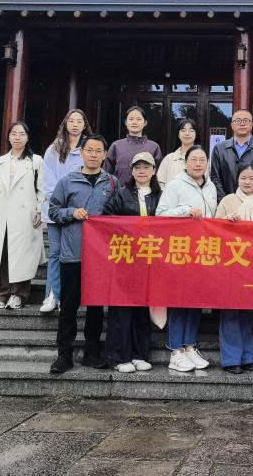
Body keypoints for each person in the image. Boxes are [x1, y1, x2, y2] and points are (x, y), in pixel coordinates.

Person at [47, 133, 119, 374]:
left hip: (100, 256)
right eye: (90, 150)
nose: (94, 155)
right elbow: (53, 211)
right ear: (82, 153)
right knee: (68, 307)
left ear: (105, 155)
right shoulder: (67, 181)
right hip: (72, 254)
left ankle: (92, 352)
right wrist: (71, 213)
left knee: (96, 307)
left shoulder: (111, 183)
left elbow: (118, 214)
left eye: (98, 151)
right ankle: (64, 355)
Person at [156, 144, 217, 373]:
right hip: (180, 252)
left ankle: (190, 346)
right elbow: (160, 214)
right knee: (179, 301)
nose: (198, 164)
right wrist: (185, 210)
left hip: (203, 252)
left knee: (195, 301)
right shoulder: (175, 185)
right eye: (194, 160)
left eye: (202, 160)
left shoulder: (211, 186)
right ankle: (175, 351)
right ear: (186, 163)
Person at [102, 151, 161, 373]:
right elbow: (107, 219)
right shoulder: (122, 194)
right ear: (132, 171)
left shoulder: (160, 195)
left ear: (154, 170)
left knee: (142, 310)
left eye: (146, 167)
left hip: (150, 260)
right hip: (125, 259)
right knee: (122, 309)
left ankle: (139, 354)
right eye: (138, 167)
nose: (142, 171)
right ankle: (119, 356)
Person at [0, 121, 45, 311]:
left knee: (23, 254)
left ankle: (19, 294)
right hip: (2, 214)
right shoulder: (0, 161)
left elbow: (42, 189)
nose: (17, 137)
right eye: (14, 133)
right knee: (3, 253)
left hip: (25, 216)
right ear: (8, 137)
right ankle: (2, 292)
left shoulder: (36, 161)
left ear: (28, 137)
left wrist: (40, 210)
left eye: (22, 134)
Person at [215, 164, 253, 374]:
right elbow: (213, 231)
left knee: (248, 312)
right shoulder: (227, 201)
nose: (247, 182)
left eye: (251, 178)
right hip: (231, 264)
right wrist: (226, 221)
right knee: (230, 312)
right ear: (237, 179)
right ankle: (231, 359)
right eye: (243, 177)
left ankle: (247, 356)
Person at [40, 109, 92, 314]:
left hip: (79, 211)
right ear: (65, 123)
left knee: (76, 255)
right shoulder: (53, 149)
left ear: (85, 125)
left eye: (79, 121)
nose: (75, 124)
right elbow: (47, 180)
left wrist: (75, 205)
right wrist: (63, 201)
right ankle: (52, 295)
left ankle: (70, 297)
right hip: (55, 209)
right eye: (71, 120)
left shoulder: (89, 148)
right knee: (55, 253)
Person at [209, 108, 253, 202]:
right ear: (232, 125)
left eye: (246, 120)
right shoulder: (219, 148)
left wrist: (250, 201)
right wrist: (225, 202)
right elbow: (215, 178)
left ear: (251, 125)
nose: (242, 123)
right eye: (238, 120)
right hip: (226, 204)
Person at [104, 105, 163, 186]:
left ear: (145, 122)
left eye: (138, 119)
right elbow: (106, 174)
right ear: (126, 122)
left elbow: (159, 174)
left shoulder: (154, 147)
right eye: (131, 119)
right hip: (119, 192)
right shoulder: (116, 146)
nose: (134, 122)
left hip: (147, 192)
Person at [156, 118, 204, 190]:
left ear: (196, 134)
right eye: (183, 130)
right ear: (178, 135)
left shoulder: (203, 160)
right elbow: (160, 183)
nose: (187, 133)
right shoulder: (168, 159)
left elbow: (206, 185)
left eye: (191, 130)